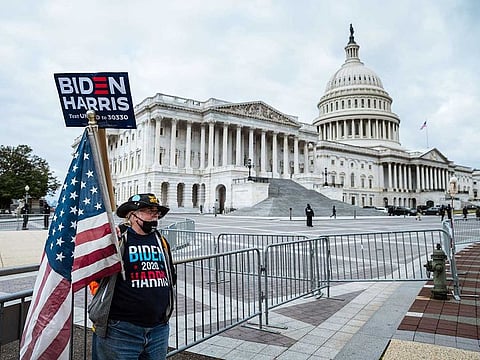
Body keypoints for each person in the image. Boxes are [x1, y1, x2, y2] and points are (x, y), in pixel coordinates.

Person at [89, 193, 176, 360]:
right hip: (120, 331)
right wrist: (105, 244)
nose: (155, 217)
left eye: (157, 212)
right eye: (150, 212)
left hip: (158, 330)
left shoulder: (161, 241)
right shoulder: (118, 240)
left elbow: (170, 275)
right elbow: (96, 273)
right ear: (133, 215)